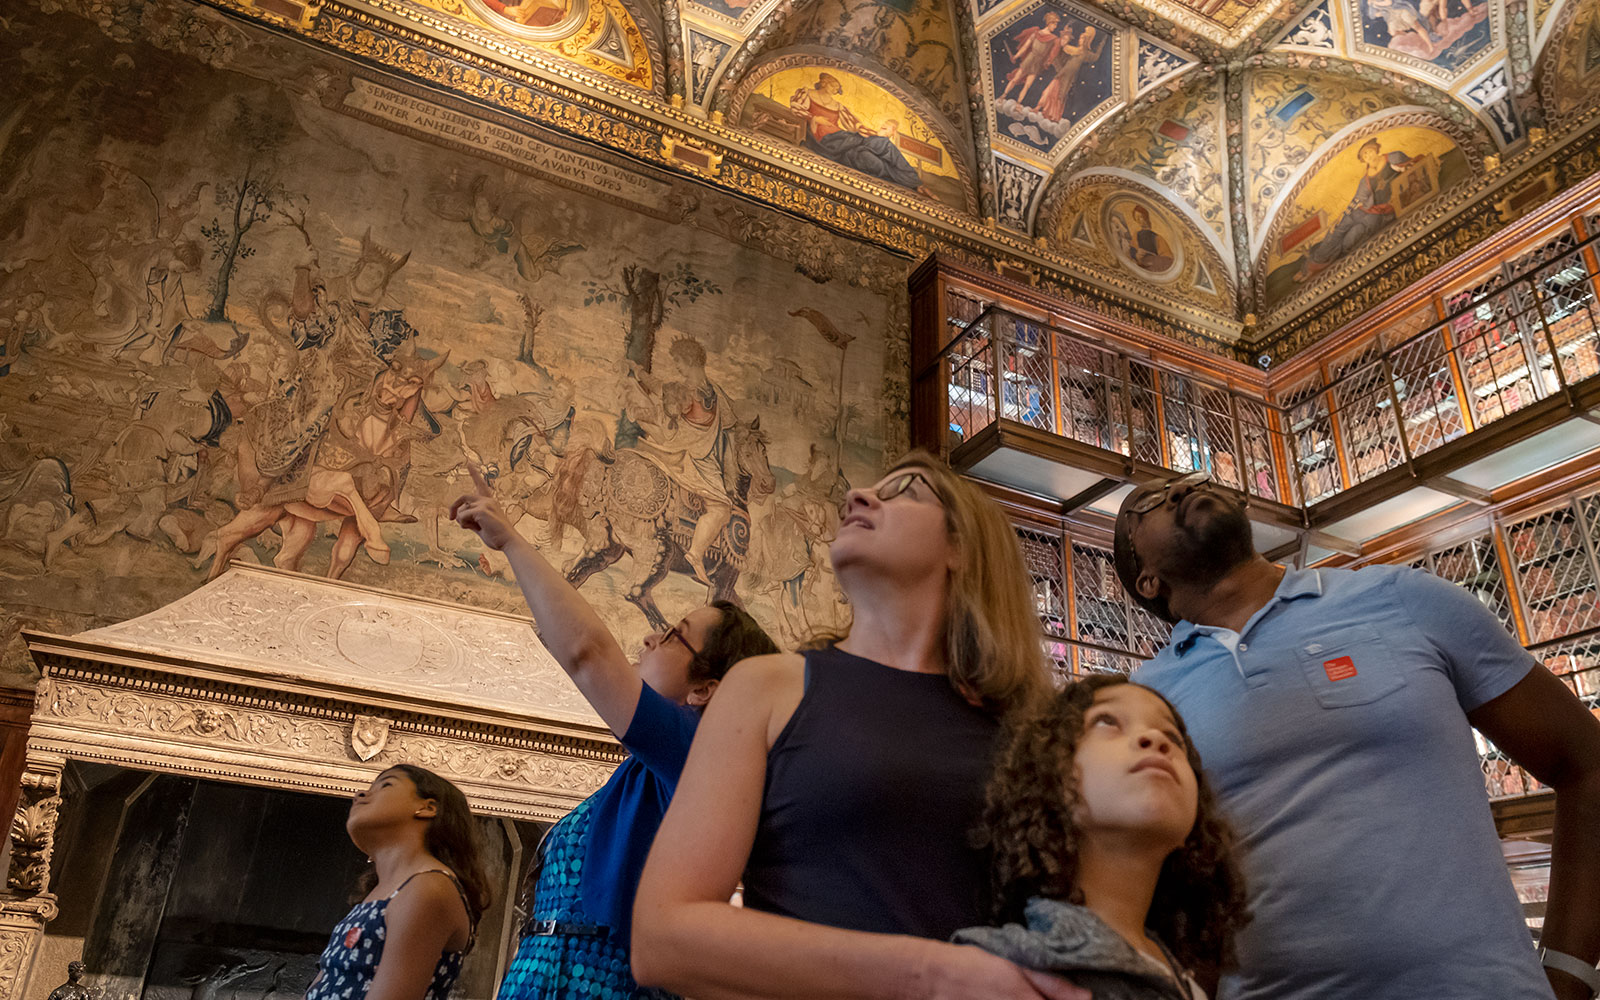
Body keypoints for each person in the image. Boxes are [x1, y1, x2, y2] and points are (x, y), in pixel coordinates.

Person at [1112, 471, 1600, 1000]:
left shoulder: (1404, 599)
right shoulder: (1142, 702)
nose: (1181, 489)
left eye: (1188, 480)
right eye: (1151, 503)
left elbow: (1588, 764)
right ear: (1146, 579)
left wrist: (1570, 974)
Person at [631, 452, 1088, 1000]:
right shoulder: (766, 687)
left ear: (962, 548)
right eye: (869, 488)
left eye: (907, 492)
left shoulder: (1033, 729)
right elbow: (663, 938)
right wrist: (931, 974)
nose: (858, 497)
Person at [449, 465, 778, 1000]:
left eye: (673, 635)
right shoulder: (654, 765)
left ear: (705, 690)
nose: (651, 637)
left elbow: (586, 653)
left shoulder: (702, 753)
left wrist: (508, 539)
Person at [954, 675, 1250, 1000]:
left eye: (1173, 737)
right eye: (1107, 721)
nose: (1155, 738)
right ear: (1052, 781)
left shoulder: (1188, 982)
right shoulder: (999, 969)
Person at [309, 765, 490, 1000]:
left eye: (386, 784)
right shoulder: (386, 892)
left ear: (427, 807)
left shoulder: (429, 888)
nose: (360, 795)